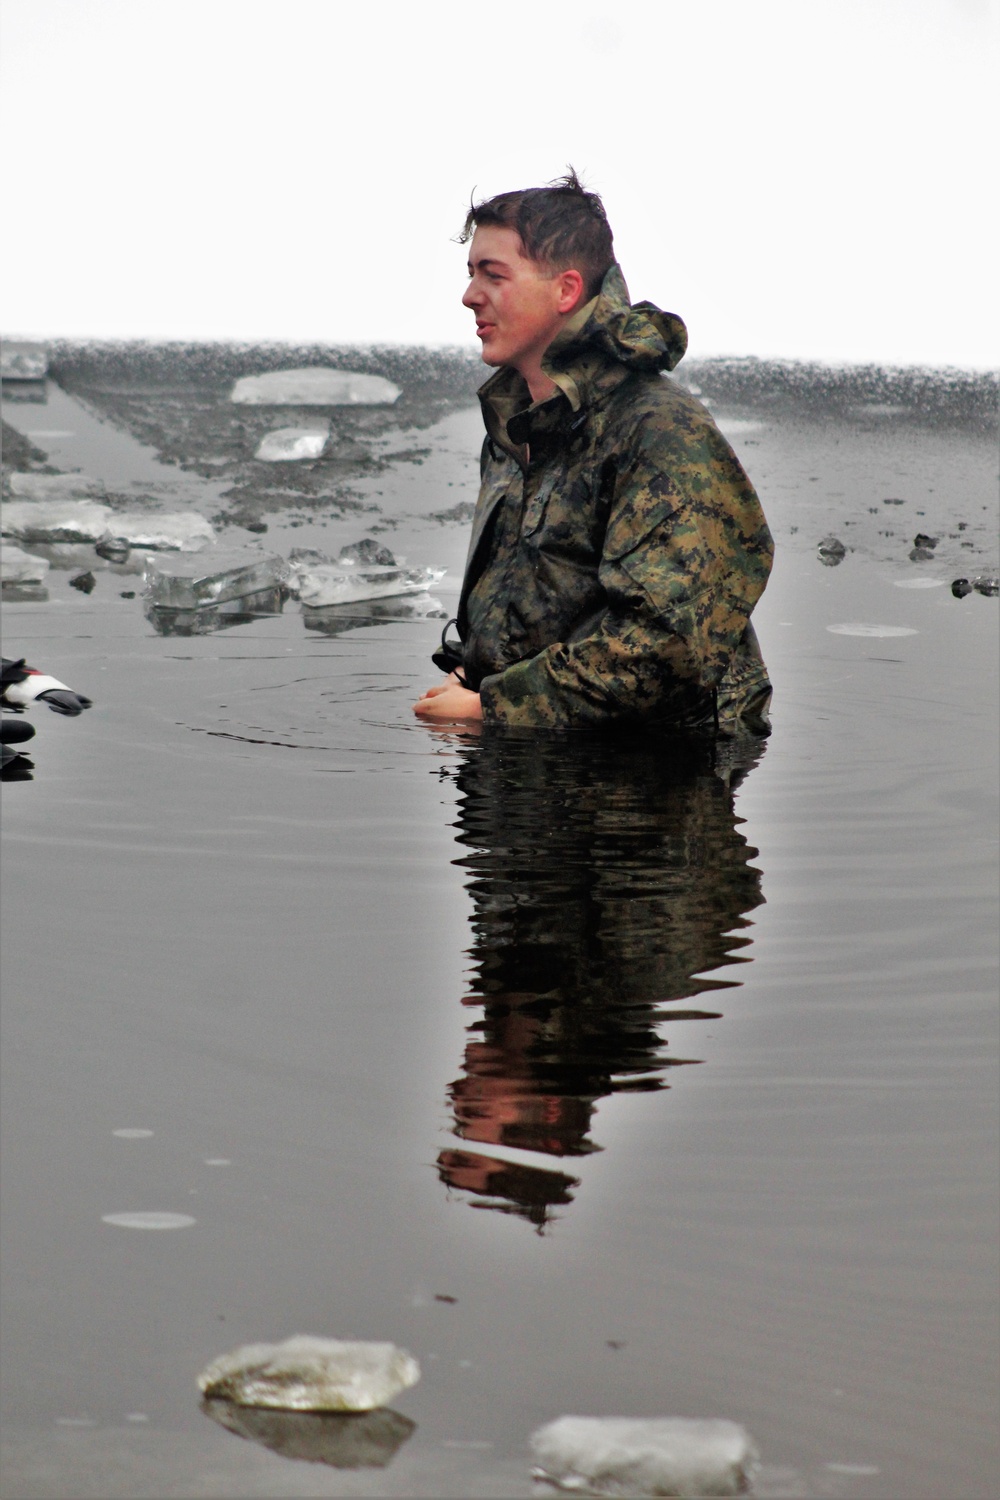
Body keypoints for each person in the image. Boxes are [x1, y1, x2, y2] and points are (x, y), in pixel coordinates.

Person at [413, 171, 773, 732]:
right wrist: (471, 675)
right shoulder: (518, 429)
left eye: (494, 275)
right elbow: (534, 605)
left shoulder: (657, 431)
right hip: (538, 773)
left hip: (658, 784)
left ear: (566, 290)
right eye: (470, 273)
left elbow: (669, 648)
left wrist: (495, 706)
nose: (469, 296)